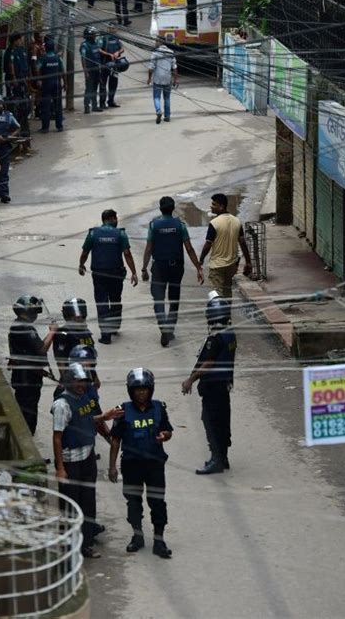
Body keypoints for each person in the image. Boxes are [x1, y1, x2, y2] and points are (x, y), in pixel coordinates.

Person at [52, 362, 124, 558]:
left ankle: (85, 544)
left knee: (88, 502)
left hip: (87, 457)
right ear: (69, 382)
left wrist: (105, 416)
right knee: (71, 506)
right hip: (71, 461)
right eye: (77, 381)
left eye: (84, 381)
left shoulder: (84, 399)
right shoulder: (62, 404)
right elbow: (57, 437)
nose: (81, 385)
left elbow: (86, 420)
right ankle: (69, 547)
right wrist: (60, 468)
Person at [109, 367, 173, 559]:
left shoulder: (159, 408)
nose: (141, 393)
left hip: (154, 465)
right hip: (131, 465)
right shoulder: (122, 411)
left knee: (157, 502)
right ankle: (137, 537)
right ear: (131, 391)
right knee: (133, 503)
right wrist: (112, 467)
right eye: (137, 390)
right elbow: (115, 441)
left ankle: (159, 540)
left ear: (150, 389)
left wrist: (166, 436)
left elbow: (168, 431)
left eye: (145, 389)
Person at [181, 293, 236, 474]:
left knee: (210, 421)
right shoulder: (230, 334)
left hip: (213, 386)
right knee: (222, 420)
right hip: (224, 385)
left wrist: (191, 379)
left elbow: (208, 363)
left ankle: (216, 459)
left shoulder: (215, 338)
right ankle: (223, 456)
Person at [142, 196, 204, 347]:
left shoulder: (154, 226)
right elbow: (189, 248)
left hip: (159, 268)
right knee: (174, 299)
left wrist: (144, 268)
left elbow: (149, 248)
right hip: (176, 267)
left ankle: (164, 329)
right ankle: (169, 330)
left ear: (160, 208)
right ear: (173, 208)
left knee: (158, 300)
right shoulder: (180, 226)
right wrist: (198, 267)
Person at [79, 209, 138, 344]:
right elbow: (127, 254)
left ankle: (105, 335)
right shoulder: (120, 234)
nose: (117, 221)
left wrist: (81, 265)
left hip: (99, 274)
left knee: (102, 302)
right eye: (115, 218)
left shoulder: (93, 234)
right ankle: (115, 326)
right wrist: (134, 272)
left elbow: (85, 252)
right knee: (115, 299)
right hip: (116, 274)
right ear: (111, 219)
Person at [8, 295, 57, 434]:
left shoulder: (18, 325)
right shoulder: (24, 328)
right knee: (28, 411)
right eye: (34, 312)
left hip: (24, 375)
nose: (36, 315)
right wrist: (52, 332)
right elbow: (41, 349)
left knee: (27, 408)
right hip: (27, 378)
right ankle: (27, 441)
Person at [199, 193, 253, 300]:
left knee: (217, 295)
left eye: (214, 204)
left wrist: (201, 260)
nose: (211, 206)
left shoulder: (214, 223)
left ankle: (221, 316)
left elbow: (208, 244)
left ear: (221, 207)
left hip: (217, 265)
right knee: (227, 292)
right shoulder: (236, 221)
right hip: (231, 265)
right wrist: (248, 262)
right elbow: (242, 242)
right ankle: (227, 315)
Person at [0, 94, 20, 203]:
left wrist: (8, 138)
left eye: (0, 103)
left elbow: (18, 128)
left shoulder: (8, 116)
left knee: (4, 172)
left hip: (4, 148)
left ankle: (4, 194)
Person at [53, 298, 95, 382]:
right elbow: (60, 360)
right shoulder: (63, 334)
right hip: (72, 378)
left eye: (82, 317)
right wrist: (65, 381)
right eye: (76, 318)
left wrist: (95, 377)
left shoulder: (85, 332)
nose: (81, 320)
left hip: (87, 377)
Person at [4, 33, 31, 142]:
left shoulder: (21, 50)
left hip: (22, 80)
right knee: (16, 104)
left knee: (24, 103)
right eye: (20, 40)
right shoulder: (11, 51)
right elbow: (10, 64)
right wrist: (14, 78)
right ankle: (17, 127)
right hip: (14, 82)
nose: (21, 41)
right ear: (15, 40)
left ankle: (24, 126)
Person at [38, 35, 66, 133]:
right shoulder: (58, 58)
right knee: (58, 106)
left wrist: (39, 80)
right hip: (57, 84)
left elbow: (37, 69)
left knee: (46, 107)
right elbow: (63, 72)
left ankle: (45, 128)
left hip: (46, 85)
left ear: (45, 47)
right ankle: (60, 126)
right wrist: (65, 83)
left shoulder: (43, 59)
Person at [147, 37, 178, 124]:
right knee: (167, 98)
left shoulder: (155, 53)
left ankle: (158, 111)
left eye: (156, 41)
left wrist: (149, 78)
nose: (155, 43)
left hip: (157, 79)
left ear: (160, 42)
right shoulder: (171, 52)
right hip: (168, 79)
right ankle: (167, 116)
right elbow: (175, 67)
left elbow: (150, 68)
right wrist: (176, 79)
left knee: (156, 97)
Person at [99, 24, 124, 109]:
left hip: (115, 64)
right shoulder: (103, 38)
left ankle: (111, 101)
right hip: (105, 64)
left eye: (114, 28)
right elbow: (99, 49)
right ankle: (102, 103)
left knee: (113, 83)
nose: (112, 30)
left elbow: (122, 48)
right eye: (111, 28)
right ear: (108, 29)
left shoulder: (117, 38)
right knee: (103, 84)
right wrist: (109, 54)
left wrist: (118, 52)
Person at [80, 26, 103, 114]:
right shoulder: (85, 45)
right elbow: (83, 58)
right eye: (93, 34)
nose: (95, 36)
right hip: (89, 70)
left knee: (95, 88)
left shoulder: (95, 44)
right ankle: (87, 106)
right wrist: (86, 72)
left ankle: (94, 106)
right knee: (89, 88)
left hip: (96, 69)